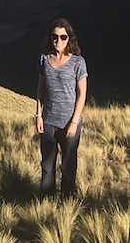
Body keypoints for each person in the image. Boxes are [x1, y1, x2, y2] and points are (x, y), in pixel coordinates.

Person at [35, 17, 88, 197]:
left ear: (69, 38)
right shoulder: (44, 59)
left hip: (69, 122)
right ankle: (46, 203)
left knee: (68, 165)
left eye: (63, 37)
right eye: (55, 36)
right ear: (50, 38)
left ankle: (68, 202)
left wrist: (74, 122)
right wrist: (38, 115)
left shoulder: (78, 62)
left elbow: (82, 93)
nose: (58, 41)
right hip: (48, 121)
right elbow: (40, 88)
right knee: (47, 166)